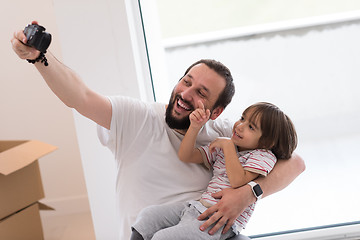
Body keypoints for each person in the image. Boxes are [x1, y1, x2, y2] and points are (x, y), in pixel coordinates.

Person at [11, 22, 305, 240]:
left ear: (216, 112)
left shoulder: (229, 134)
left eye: (201, 92)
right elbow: (81, 97)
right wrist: (39, 57)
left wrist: (247, 195)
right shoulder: (137, 118)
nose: (186, 93)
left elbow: (295, 163)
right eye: (186, 81)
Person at [131, 102, 297, 240]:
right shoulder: (226, 148)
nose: (239, 126)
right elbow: (186, 155)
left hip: (219, 222)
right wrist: (194, 128)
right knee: (148, 216)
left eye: (251, 127)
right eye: (242, 118)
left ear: (267, 142)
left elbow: (238, 181)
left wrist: (228, 146)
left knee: (164, 238)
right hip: (196, 207)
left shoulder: (263, 155)